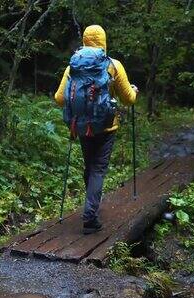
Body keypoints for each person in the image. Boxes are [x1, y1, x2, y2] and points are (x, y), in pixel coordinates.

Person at [54, 25, 138, 234]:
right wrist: (135, 91)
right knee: (98, 168)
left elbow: (59, 98)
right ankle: (90, 216)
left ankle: (91, 204)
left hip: (82, 125)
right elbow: (128, 99)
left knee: (90, 166)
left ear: (84, 40)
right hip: (106, 126)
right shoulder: (113, 65)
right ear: (103, 41)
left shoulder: (73, 66)